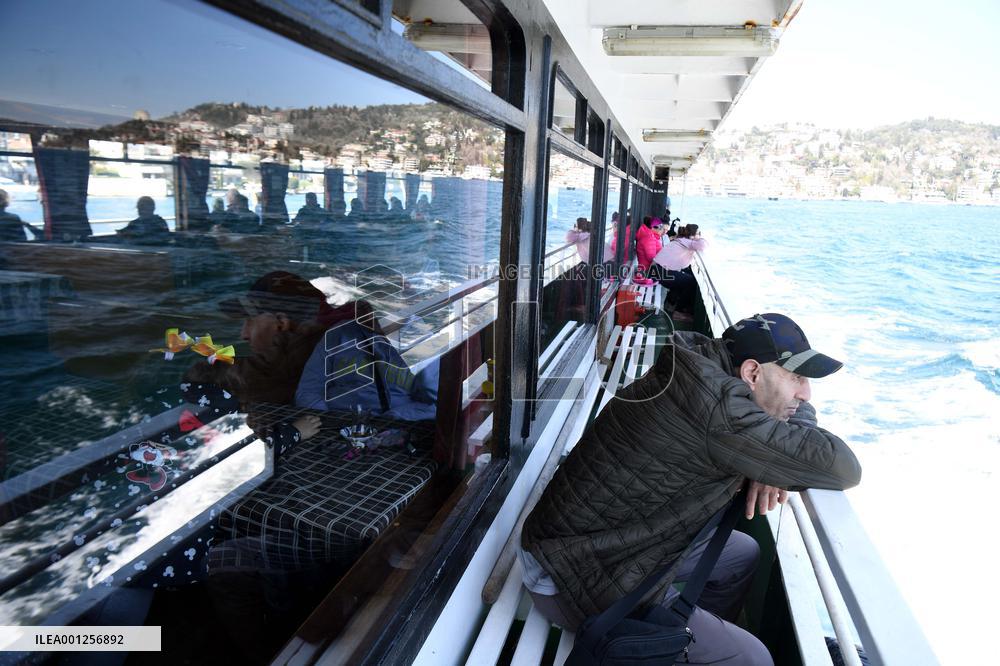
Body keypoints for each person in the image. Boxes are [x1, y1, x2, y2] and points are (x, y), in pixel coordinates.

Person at [521, 313, 862, 665]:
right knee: (755, 658)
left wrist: (771, 460)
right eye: (797, 378)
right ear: (752, 373)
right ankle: (680, 646)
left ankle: (675, 647)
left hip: (589, 543)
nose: (805, 394)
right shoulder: (723, 412)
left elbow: (751, 436)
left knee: (742, 555)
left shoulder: (697, 371)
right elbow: (843, 467)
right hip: (574, 573)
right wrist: (778, 452)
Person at [652, 222, 707, 321]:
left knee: (685, 278)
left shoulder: (681, 240)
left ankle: (671, 303)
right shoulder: (688, 242)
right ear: (693, 235)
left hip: (657, 270)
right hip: (661, 272)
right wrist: (698, 237)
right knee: (691, 282)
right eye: (698, 233)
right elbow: (703, 245)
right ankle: (679, 312)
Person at [633, 216, 664, 284]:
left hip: (647, 269)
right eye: (661, 228)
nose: (662, 230)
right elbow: (651, 257)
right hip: (648, 271)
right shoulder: (649, 238)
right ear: (653, 228)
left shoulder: (649, 236)